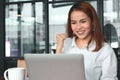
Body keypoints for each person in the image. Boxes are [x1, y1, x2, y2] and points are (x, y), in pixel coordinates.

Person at [56, 1, 118, 80]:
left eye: (83, 21)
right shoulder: (65, 44)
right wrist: (58, 48)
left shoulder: (105, 50)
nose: (78, 27)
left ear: (92, 22)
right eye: (74, 23)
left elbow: (109, 78)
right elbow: (56, 73)